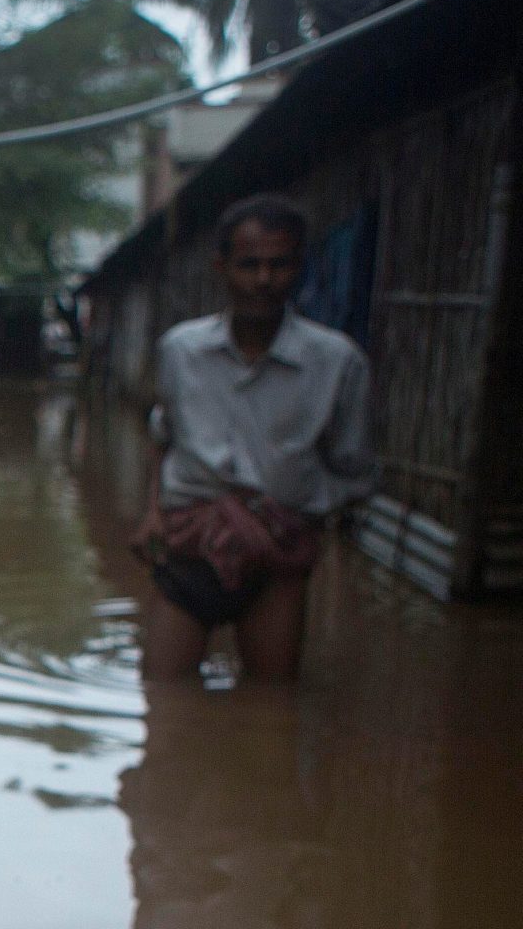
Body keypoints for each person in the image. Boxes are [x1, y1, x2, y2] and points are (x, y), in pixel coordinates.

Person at [137, 193, 376, 683]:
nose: (264, 280)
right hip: (190, 546)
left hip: (278, 554)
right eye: (249, 265)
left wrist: (299, 508)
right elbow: (163, 434)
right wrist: (152, 513)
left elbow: (355, 466)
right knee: (162, 703)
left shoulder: (337, 362)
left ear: (300, 267)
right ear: (221, 267)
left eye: (279, 265)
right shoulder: (181, 351)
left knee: (271, 711)